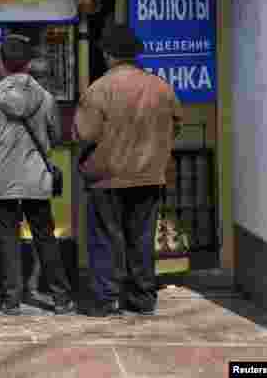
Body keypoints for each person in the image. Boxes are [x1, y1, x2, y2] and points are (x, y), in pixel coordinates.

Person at [74, 24, 183, 317]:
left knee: (105, 238)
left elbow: (85, 133)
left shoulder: (99, 89)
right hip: (148, 174)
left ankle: (106, 299)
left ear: (108, 54)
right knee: (142, 237)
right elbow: (175, 125)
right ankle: (143, 297)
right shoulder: (161, 87)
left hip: (107, 177)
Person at [0, 33, 74, 316]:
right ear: (29, 64)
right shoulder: (47, 98)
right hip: (37, 177)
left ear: (2, 64)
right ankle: (61, 298)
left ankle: (11, 299)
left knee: (8, 238)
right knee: (45, 236)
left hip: (2, 178)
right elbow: (55, 136)